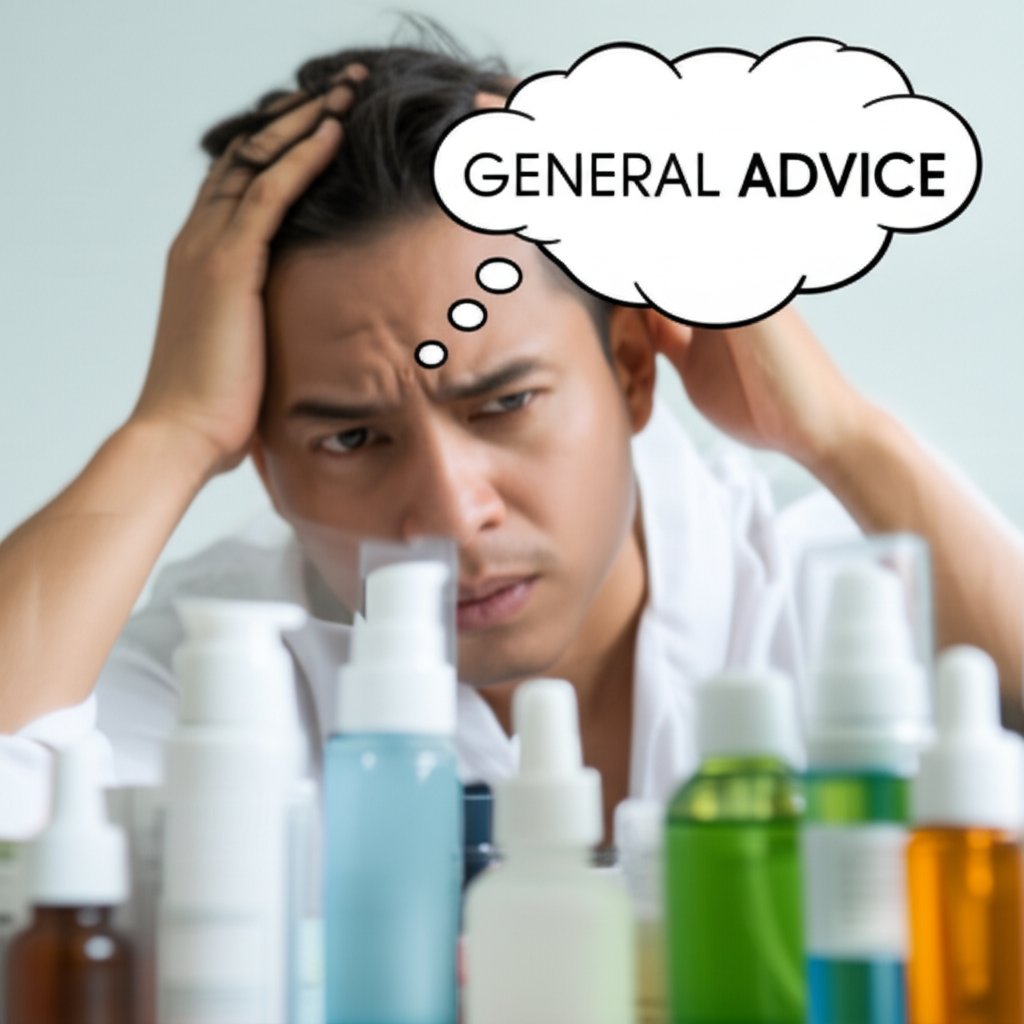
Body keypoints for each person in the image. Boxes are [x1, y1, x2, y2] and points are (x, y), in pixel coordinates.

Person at [1, 37, 1021, 843]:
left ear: (631, 368)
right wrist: (169, 430)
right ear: (260, 458)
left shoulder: (839, 602)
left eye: (503, 404)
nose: (452, 510)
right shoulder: (224, 662)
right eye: (353, 437)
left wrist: (839, 434)